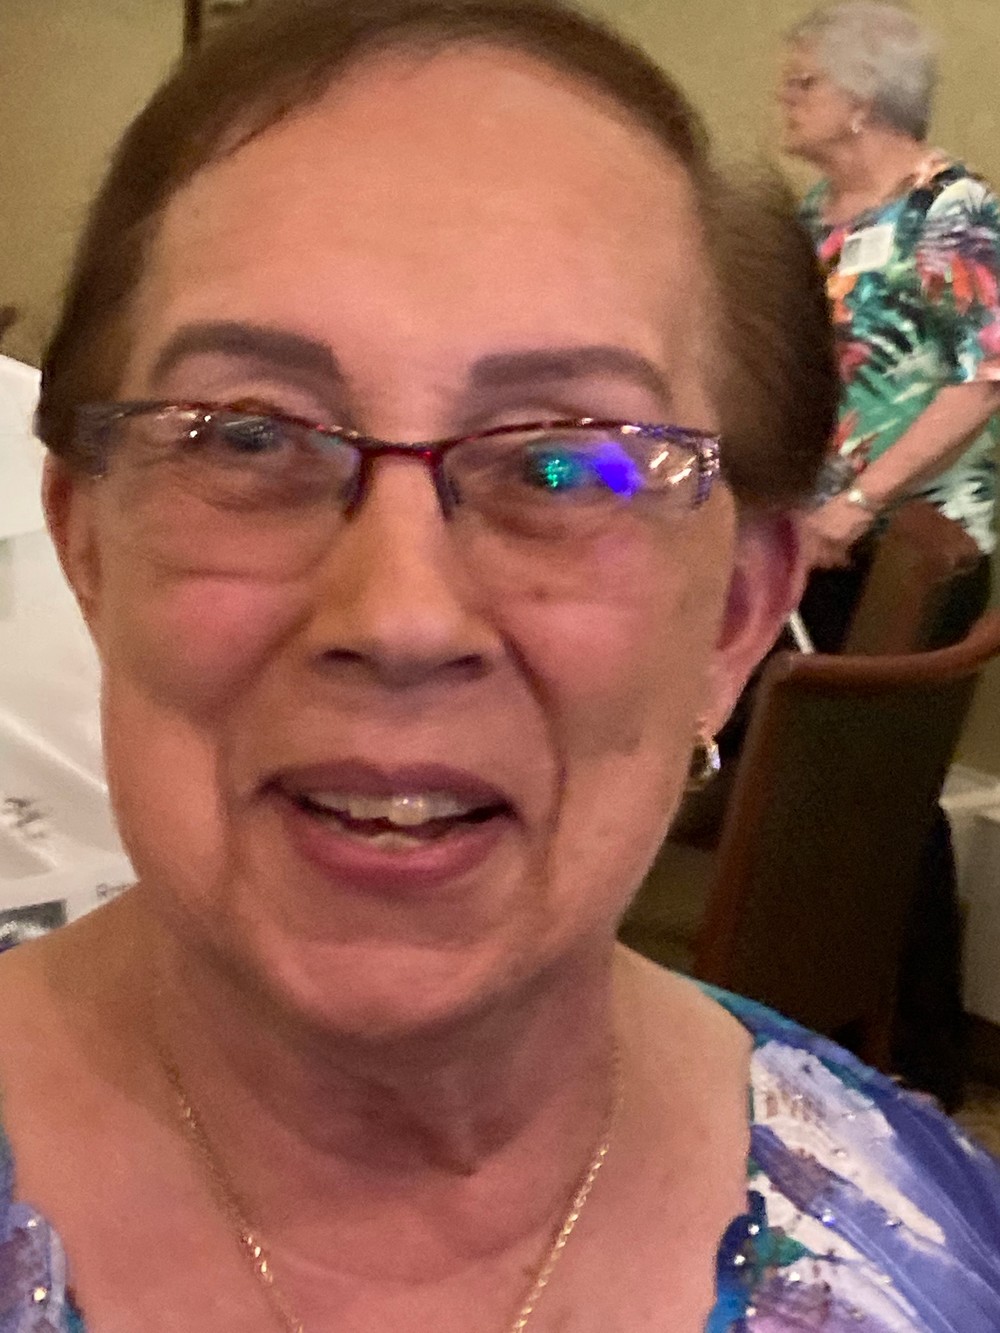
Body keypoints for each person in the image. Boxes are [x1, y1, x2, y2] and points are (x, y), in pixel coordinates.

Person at [0, 1, 998, 1330]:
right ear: (88, 547)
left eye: (563, 465)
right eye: (249, 437)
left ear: (734, 614)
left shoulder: (946, 1258)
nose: (400, 616)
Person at [779, 0, 1000, 652]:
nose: (785, 98)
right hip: (816, 534)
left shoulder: (950, 206)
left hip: (907, 548)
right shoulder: (817, 210)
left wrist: (857, 505)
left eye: (804, 82)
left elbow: (986, 379)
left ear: (863, 97)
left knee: (850, 716)